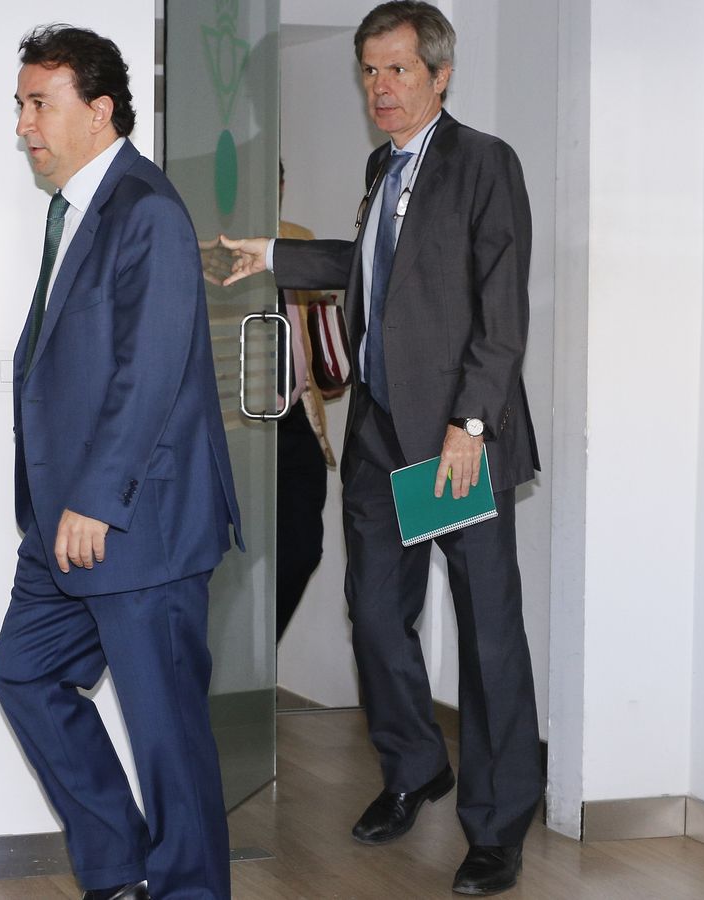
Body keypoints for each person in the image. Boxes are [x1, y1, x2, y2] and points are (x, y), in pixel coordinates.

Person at [217, 2, 540, 894]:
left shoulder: (484, 164)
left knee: (488, 633)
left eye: (397, 70)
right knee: (374, 612)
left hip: (452, 447)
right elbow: (374, 268)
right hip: (378, 438)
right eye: (368, 70)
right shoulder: (381, 166)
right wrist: (275, 256)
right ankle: (412, 767)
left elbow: (501, 311)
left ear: (441, 75)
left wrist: (470, 425)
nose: (380, 87)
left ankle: (498, 823)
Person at [0, 24, 242, 900]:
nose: (24, 125)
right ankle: (121, 871)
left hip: (136, 523)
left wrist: (95, 498)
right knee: (22, 673)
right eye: (21, 105)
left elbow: (150, 372)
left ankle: (189, 891)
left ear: (98, 110)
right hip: (64, 521)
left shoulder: (147, 211)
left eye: (38, 104)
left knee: (167, 735)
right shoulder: (82, 210)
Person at [276, 162, 341, 643]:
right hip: (235, 423)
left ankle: (257, 662)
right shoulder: (207, 246)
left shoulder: (295, 237)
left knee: (302, 548)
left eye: (277, 185)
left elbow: (311, 324)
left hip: (297, 415)